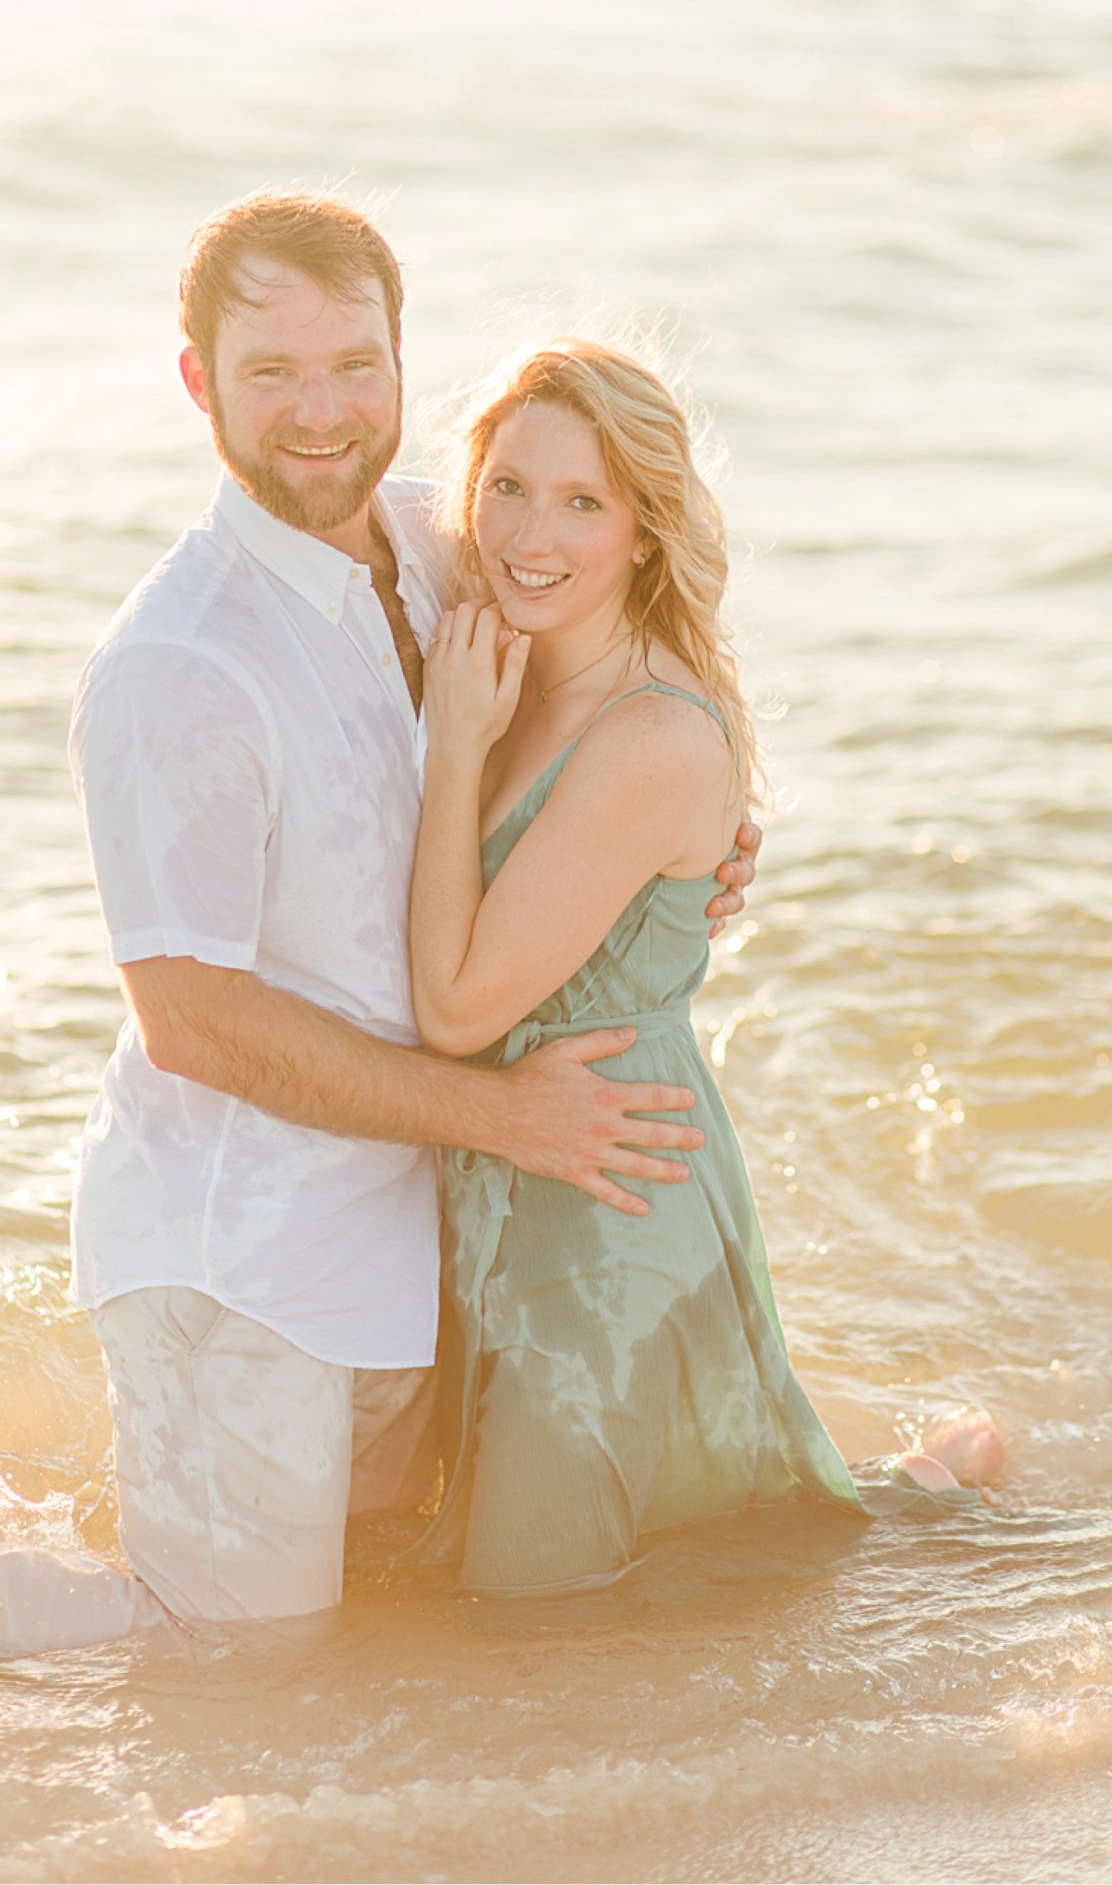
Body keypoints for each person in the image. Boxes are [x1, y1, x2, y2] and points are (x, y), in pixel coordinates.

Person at [0, 192, 763, 1653]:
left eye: (353, 365)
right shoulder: (178, 669)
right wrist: (502, 1117)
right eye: (271, 373)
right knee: (227, 1653)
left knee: (385, 1622)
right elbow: (191, 1023)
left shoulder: (446, 554)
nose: (322, 413)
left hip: (413, 1237)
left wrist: (694, 861)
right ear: (199, 383)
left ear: (398, 357)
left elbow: (601, 712)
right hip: (240, 1256)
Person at [402, 339, 867, 1593]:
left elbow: (451, 1008)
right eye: (504, 486)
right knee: (633, 1541)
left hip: (611, 1198)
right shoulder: (507, 652)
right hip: (511, 1173)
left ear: (646, 534)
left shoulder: (646, 734)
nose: (526, 531)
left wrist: (452, 754)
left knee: (529, 1606)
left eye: (581, 502)